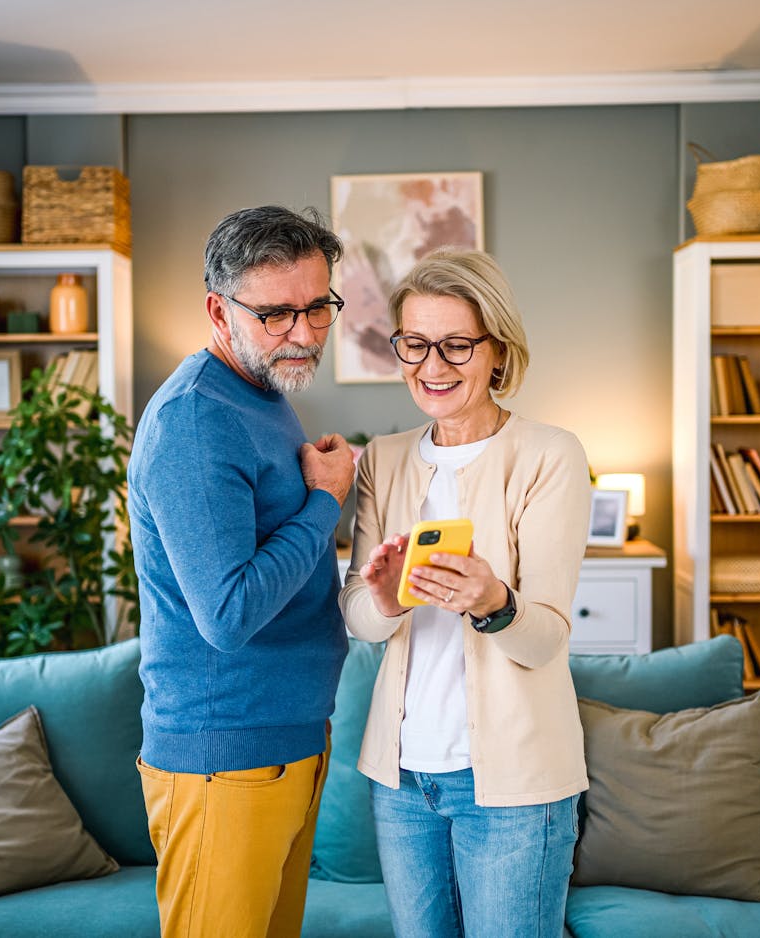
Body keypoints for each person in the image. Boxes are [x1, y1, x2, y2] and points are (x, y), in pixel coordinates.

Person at [339, 248, 592, 937]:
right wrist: (387, 600)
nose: (432, 366)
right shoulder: (384, 460)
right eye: (414, 344)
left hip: (513, 789)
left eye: (455, 345)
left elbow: (546, 638)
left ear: (498, 350)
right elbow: (360, 619)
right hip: (403, 782)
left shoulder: (551, 455)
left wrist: (494, 602)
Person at [128, 205, 356, 937]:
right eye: (276, 314)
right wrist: (325, 502)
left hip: (286, 743)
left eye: (317, 307)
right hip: (223, 760)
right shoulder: (196, 419)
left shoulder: (263, 391)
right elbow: (227, 616)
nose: (303, 332)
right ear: (218, 312)